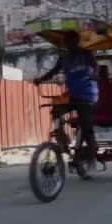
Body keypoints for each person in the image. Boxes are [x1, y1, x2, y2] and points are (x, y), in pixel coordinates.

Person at [34, 31, 99, 173]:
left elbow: (96, 67)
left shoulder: (86, 54)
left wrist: (95, 74)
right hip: (71, 95)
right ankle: (62, 140)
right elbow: (54, 71)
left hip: (88, 95)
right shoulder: (64, 58)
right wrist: (40, 79)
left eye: (71, 42)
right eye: (66, 42)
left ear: (76, 41)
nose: (68, 45)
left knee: (86, 127)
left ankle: (91, 156)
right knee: (56, 111)